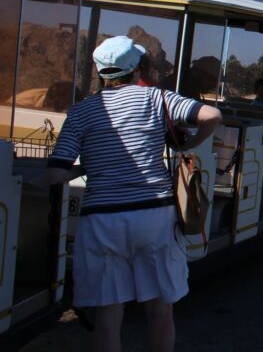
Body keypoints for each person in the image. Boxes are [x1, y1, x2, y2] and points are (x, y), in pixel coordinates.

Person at [45, 36, 222, 352]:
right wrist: (192, 144)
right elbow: (211, 115)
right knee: (160, 309)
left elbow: (55, 174)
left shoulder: (81, 112)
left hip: (102, 220)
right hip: (154, 215)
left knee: (108, 313)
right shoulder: (157, 98)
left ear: (100, 72)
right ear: (137, 68)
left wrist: (91, 166)